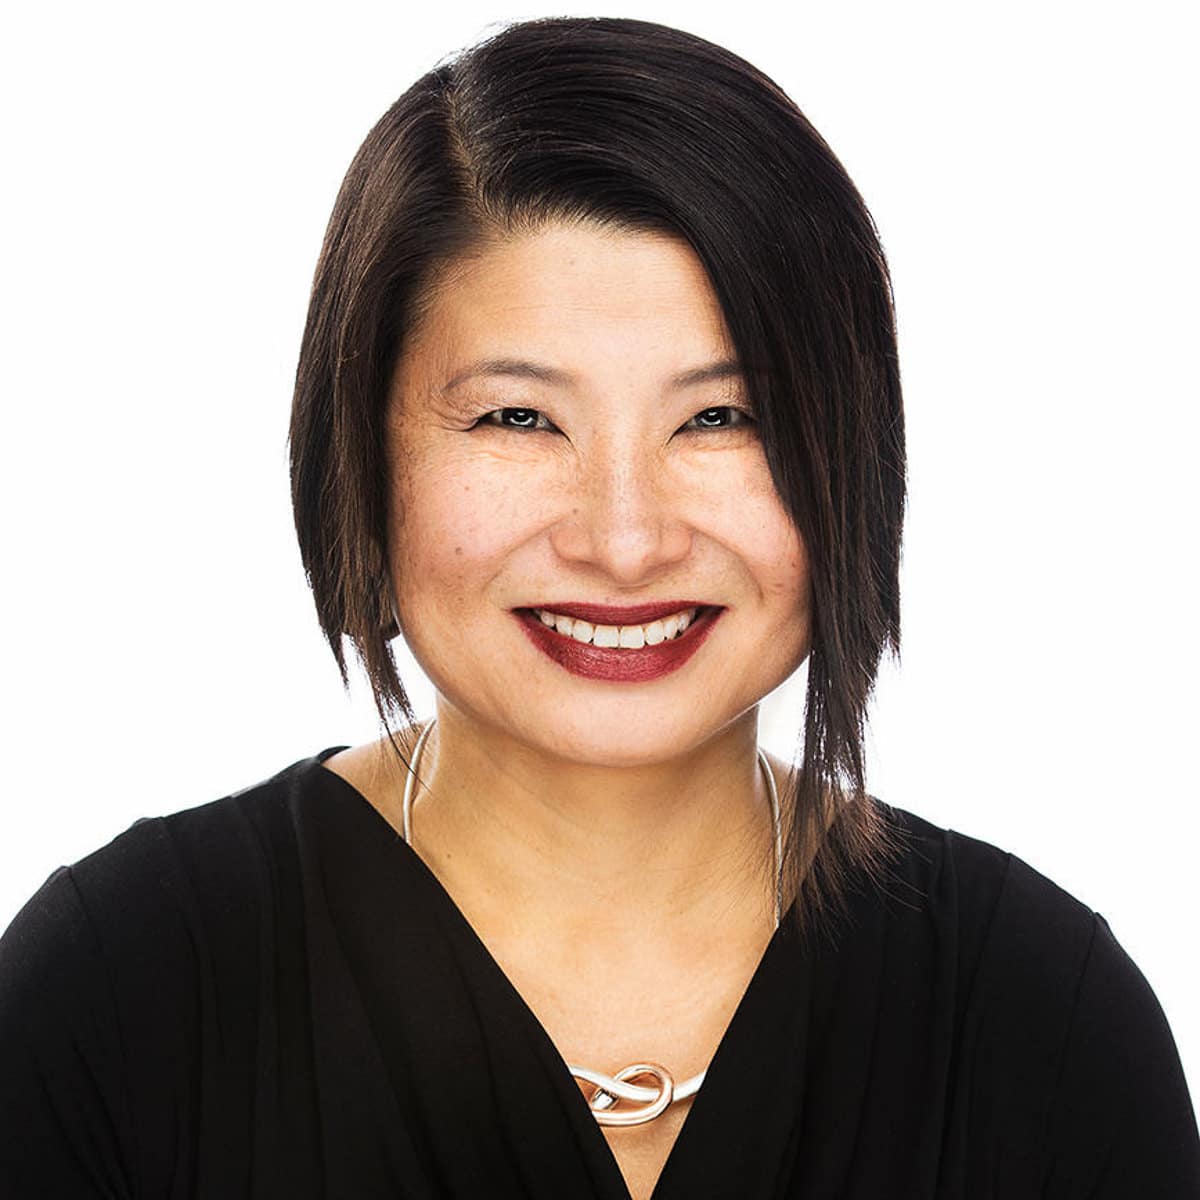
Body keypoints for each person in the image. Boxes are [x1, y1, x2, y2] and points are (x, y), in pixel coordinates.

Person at [1, 14, 1197, 1199]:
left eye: (721, 418)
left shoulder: (1042, 1022)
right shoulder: (115, 997)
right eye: (518, 418)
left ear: (854, 456)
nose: (625, 540)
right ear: (360, 454)